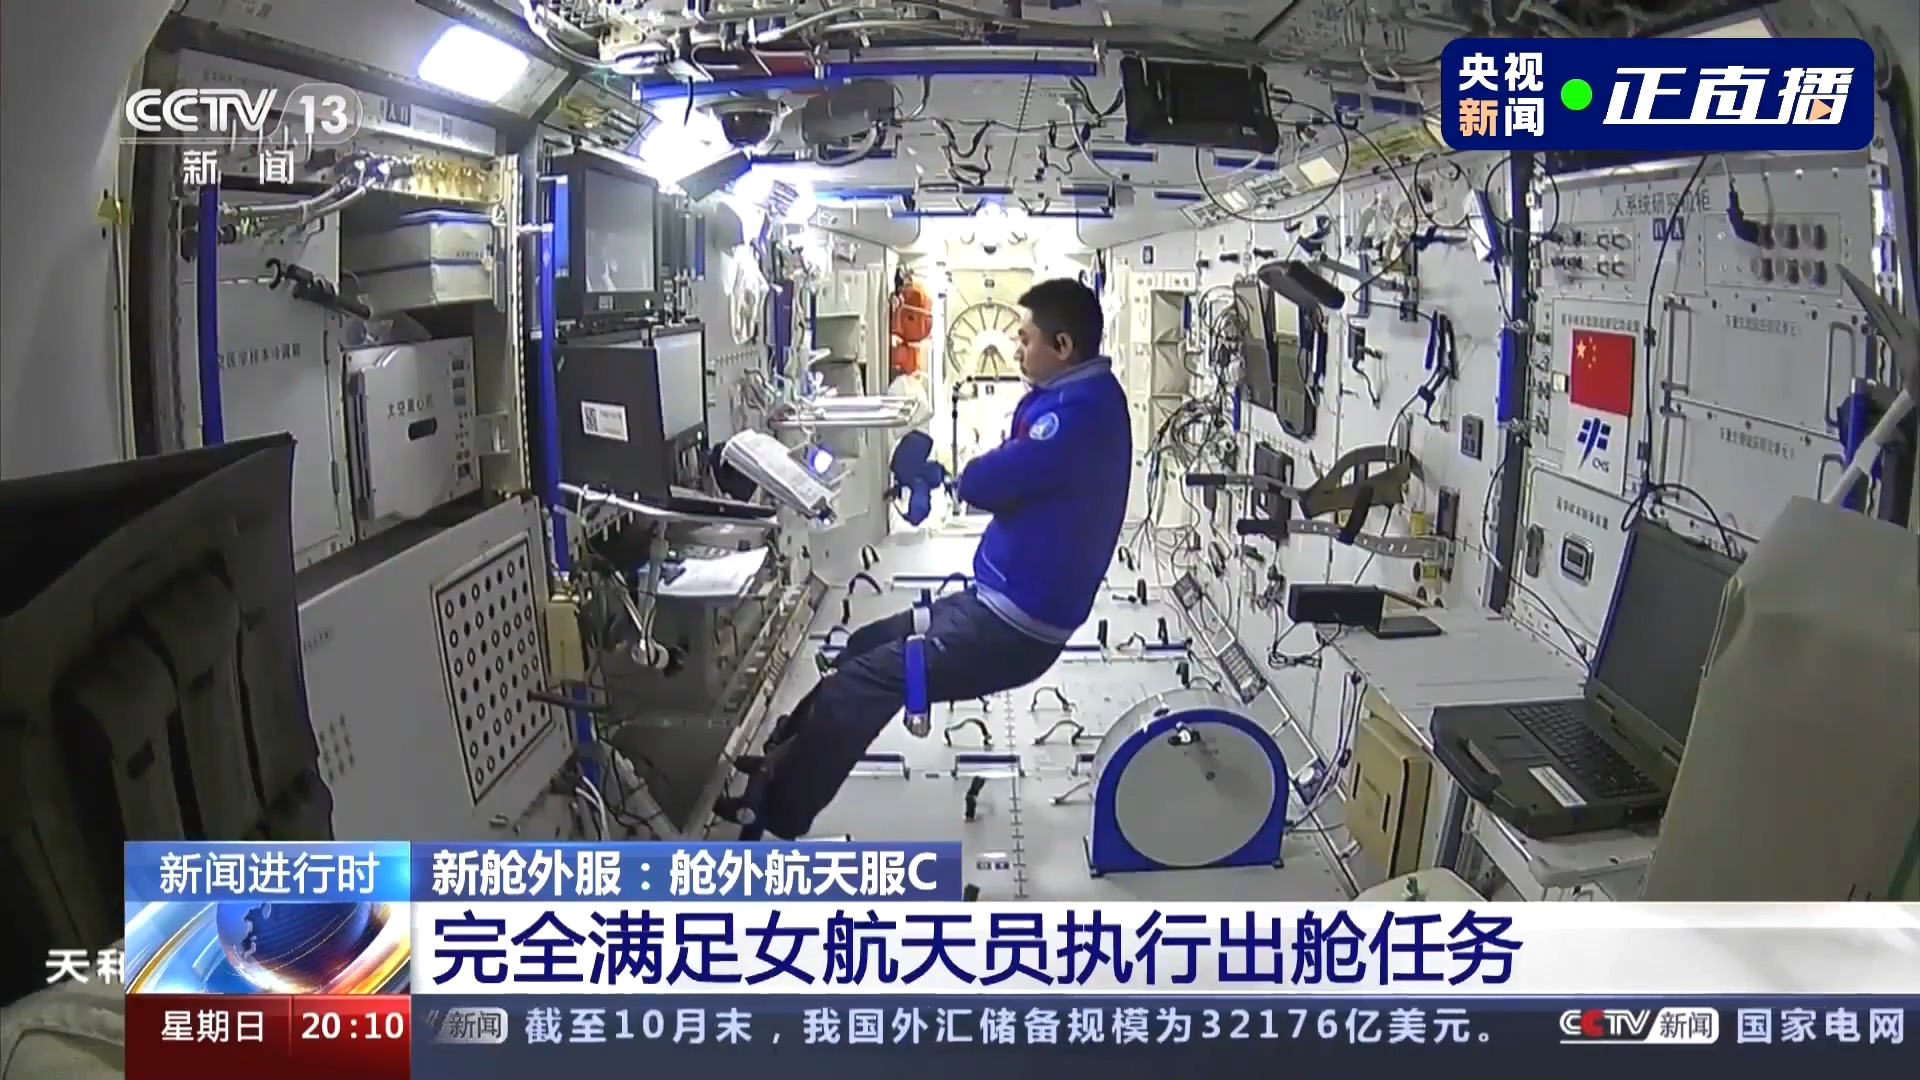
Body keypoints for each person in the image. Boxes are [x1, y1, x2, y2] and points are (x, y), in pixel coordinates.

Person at [718, 277, 1132, 839]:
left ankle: (775, 812)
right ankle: (776, 759)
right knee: (863, 646)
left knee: (860, 686)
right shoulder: (1070, 396)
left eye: (1025, 338)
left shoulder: (1080, 414)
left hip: (1015, 629)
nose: (1016, 349)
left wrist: (970, 476)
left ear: (1062, 346)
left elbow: (989, 483)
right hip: (991, 603)